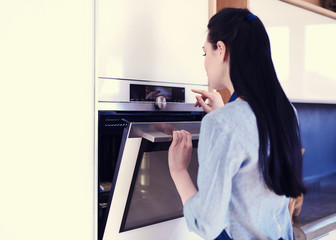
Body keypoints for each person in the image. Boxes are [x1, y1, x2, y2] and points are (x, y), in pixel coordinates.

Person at [168, 8, 306, 240]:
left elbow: (207, 224)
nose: (205, 62)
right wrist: (225, 114)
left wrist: (178, 171)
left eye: (205, 53)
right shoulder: (286, 112)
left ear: (220, 49)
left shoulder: (222, 124)